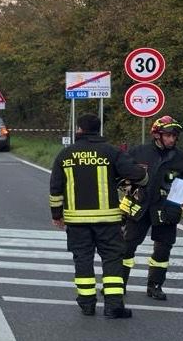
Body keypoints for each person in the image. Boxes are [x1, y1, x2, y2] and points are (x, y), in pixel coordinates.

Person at [49, 113, 147, 318]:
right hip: (108, 221)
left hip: (76, 221)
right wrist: (144, 177)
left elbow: (56, 187)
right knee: (112, 259)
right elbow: (136, 174)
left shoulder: (65, 154)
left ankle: (86, 303)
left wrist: (57, 214)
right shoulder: (111, 152)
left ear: (79, 130)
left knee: (82, 259)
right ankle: (113, 306)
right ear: (98, 129)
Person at [119, 115, 183, 300]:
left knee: (163, 249)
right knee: (127, 247)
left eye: (174, 136)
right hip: (139, 208)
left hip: (167, 209)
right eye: (168, 135)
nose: (171, 139)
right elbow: (120, 171)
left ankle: (155, 286)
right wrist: (126, 185)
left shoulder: (182, 159)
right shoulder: (139, 152)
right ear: (157, 135)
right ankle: (118, 284)